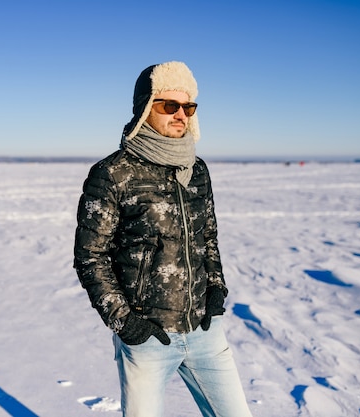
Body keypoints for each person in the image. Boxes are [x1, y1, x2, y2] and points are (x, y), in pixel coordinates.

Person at [74, 61, 253, 417]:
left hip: (205, 330)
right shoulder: (113, 173)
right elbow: (91, 257)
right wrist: (126, 322)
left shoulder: (197, 169)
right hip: (148, 337)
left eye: (188, 107)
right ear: (145, 108)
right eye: (169, 105)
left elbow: (209, 238)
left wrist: (216, 290)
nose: (180, 115)